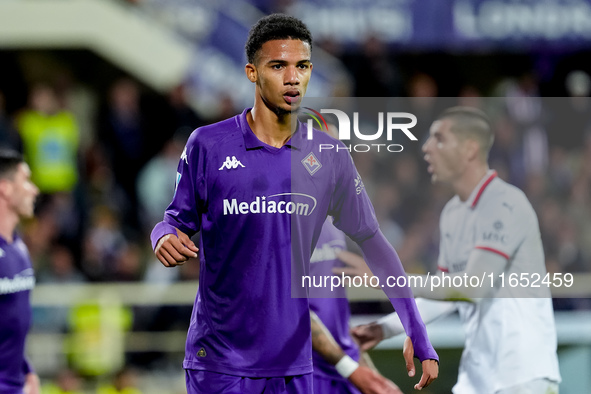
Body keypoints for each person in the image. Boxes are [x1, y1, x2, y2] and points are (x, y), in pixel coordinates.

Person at [151, 13, 438, 394]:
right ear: (252, 73)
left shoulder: (327, 154)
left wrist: (416, 330)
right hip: (220, 364)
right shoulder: (207, 144)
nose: (292, 78)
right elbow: (173, 220)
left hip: (294, 367)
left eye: (301, 66)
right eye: (278, 66)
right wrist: (162, 236)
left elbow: (375, 243)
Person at [351, 107, 561, 393]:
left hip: (522, 376)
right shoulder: (452, 213)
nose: (426, 148)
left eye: (438, 139)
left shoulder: (505, 202)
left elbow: (470, 287)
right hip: (478, 378)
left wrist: (389, 279)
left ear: (469, 149)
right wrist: (385, 328)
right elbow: (445, 294)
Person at [309, 217, 401, 394]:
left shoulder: (331, 223)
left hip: (343, 371)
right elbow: (290, 310)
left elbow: (333, 314)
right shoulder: (278, 224)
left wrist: (371, 375)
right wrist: (350, 369)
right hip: (301, 374)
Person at [0, 148, 40, 394]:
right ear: (5, 188)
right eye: (25, 180)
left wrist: (27, 370)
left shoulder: (19, 248)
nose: (34, 189)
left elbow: (11, 325)